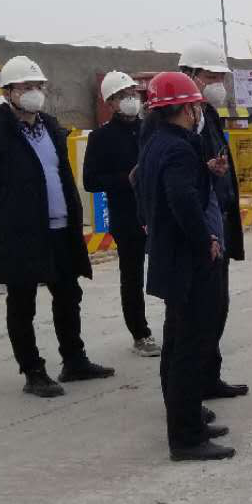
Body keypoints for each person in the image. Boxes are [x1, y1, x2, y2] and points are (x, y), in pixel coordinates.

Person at [0, 55, 114, 397]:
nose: (34, 92)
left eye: (38, 86)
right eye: (26, 86)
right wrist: (3, 222)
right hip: (21, 234)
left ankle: (74, 360)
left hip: (61, 229)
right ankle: (33, 371)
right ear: (8, 92)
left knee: (68, 295)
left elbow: (60, 174)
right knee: (22, 302)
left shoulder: (50, 127)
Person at [136, 71, 236, 462]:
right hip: (188, 261)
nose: (199, 112)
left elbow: (157, 190)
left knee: (178, 344)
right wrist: (204, 240)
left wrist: (204, 171)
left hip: (169, 257)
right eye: (195, 106)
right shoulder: (178, 149)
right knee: (189, 349)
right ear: (186, 109)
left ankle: (187, 419)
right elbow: (181, 200)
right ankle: (187, 438)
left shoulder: (157, 144)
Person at [176, 40, 248, 400]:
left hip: (219, 221)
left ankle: (209, 376)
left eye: (221, 77)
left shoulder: (211, 117)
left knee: (217, 306)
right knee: (195, 314)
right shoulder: (171, 122)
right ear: (188, 75)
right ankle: (190, 390)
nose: (217, 84)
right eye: (210, 76)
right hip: (195, 230)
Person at [83, 71, 159, 357]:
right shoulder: (101, 138)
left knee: (171, 269)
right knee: (132, 278)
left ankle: (180, 323)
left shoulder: (151, 129)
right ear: (111, 103)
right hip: (127, 217)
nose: (130, 99)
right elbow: (91, 181)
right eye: (122, 96)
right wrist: (124, 179)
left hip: (157, 213)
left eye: (132, 93)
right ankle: (140, 333)